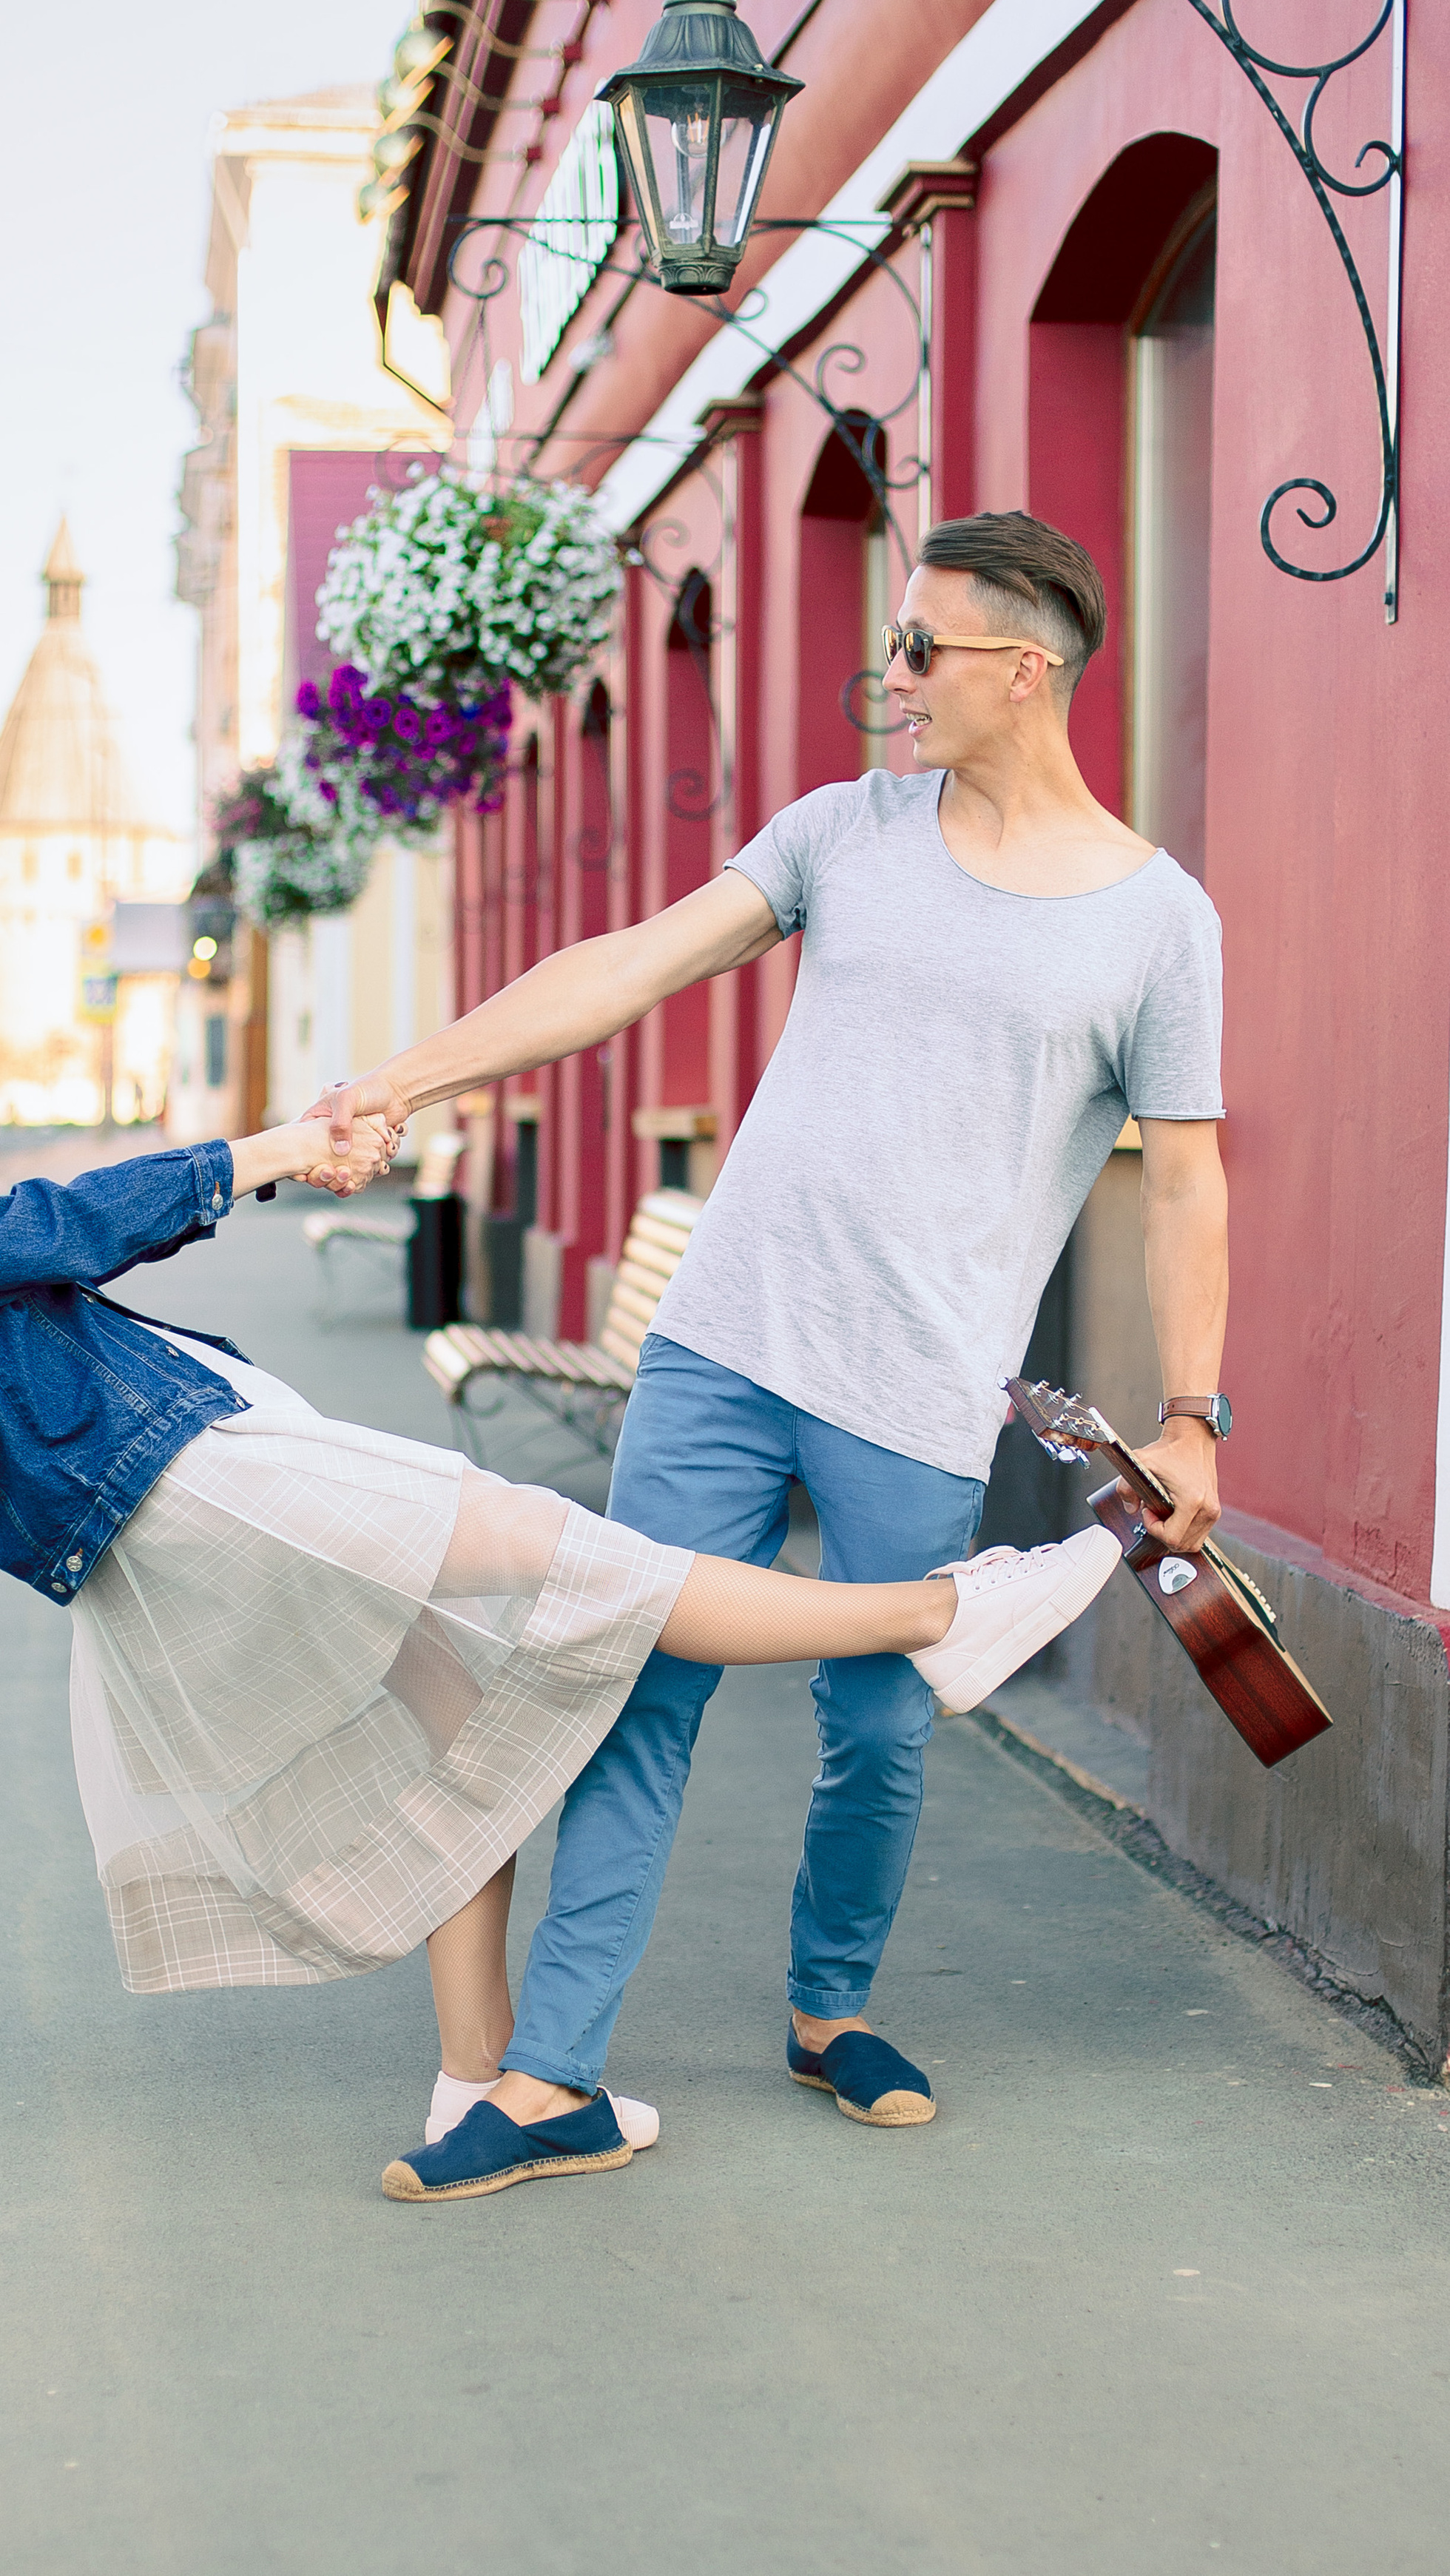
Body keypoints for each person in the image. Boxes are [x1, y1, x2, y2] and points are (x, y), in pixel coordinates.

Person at [0, 992, 1119, 2203]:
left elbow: (36, 1264)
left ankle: (487, 2081)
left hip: (192, 1487)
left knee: (456, 1727)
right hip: (205, 1485)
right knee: (576, 1563)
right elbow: (57, 1225)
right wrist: (276, 1147)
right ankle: (940, 1616)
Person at [310, 508, 1229, 2188]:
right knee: (635, 1685)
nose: (889, 679)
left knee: (873, 1721)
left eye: (920, 650)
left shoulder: (1154, 926)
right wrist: (408, 1078)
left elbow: (1183, 1175)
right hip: (722, 1339)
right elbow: (624, 971)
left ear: (1023, 673)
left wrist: (1190, 1414)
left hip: (918, 1383)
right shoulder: (843, 832)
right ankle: (547, 2082)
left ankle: (826, 2011)